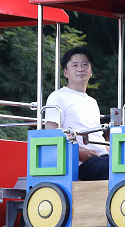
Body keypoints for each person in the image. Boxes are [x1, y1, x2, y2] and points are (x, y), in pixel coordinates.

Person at [43, 46, 110, 180]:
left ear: (91, 71)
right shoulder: (58, 97)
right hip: (79, 163)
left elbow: (97, 138)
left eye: (85, 64)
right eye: (75, 65)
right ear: (66, 72)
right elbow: (50, 136)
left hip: (102, 157)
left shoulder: (92, 102)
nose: (81, 69)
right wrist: (78, 153)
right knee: (112, 168)